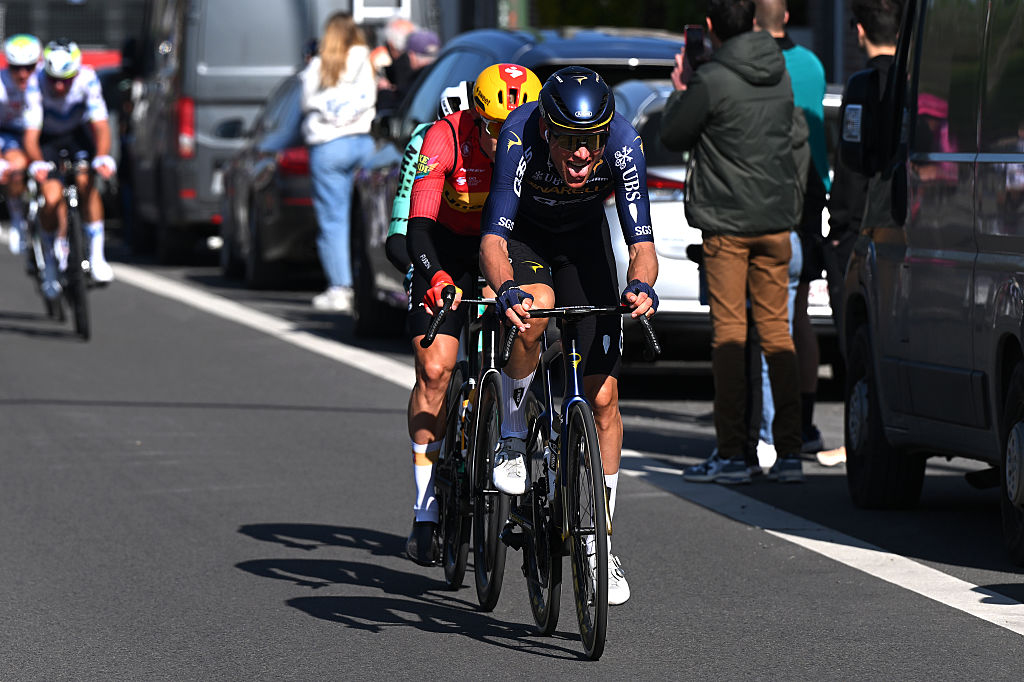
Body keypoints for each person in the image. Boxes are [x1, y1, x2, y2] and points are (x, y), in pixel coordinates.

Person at [479, 66, 659, 605]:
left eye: (592, 144)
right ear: (546, 133)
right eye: (570, 144)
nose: (583, 155)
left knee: (603, 396)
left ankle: (600, 543)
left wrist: (642, 285)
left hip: (584, 244)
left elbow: (641, 242)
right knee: (537, 310)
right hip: (527, 240)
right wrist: (506, 286)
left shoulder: (624, 144)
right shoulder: (517, 134)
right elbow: (493, 238)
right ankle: (512, 429)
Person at [661, 0, 805, 484]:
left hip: (726, 223)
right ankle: (789, 453)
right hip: (776, 219)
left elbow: (674, 133)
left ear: (709, 28)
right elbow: (796, 136)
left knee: (729, 334)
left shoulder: (712, 79)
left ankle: (732, 454)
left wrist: (681, 89)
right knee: (776, 333)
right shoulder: (778, 69)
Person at [402, 64, 541, 567]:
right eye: (493, 131)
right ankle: (424, 505)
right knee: (435, 369)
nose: (504, 141)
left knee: (529, 328)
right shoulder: (445, 138)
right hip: (443, 252)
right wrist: (435, 277)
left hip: (500, 251)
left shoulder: (535, 142)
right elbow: (417, 228)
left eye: (516, 128)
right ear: (476, 118)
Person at [822, 0, 903, 467]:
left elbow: (851, 163)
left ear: (858, 31)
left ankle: (861, 433)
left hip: (864, 227)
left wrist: (840, 229)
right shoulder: (917, 78)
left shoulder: (862, 85)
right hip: (908, 220)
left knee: (857, 337)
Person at [753, 0, 831, 461]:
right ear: (785, 16)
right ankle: (802, 422)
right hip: (806, 195)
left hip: (759, 200)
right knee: (796, 311)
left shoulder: (750, 65)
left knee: (760, 316)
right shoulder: (813, 65)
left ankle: (762, 430)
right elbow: (817, 144)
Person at [24, 39, 117, 297]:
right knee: (51, 198)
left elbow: (100, 125)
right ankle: (51, 266)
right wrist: (37, 162)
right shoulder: (35, 82)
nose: (59, 85)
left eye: (66, 79)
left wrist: (101, 156)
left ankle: (97, 257)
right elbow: (30, 135)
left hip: (77, 136)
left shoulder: (88, 79)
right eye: (54, 79)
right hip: (47, 140)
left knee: (87, 183)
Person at [299, 12, 376, 312]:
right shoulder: (364, 59)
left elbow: (304, 103)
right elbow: (371, 98)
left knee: (334, 221)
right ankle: (368, 282)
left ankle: (340, 287)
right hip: (363, 142)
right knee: (369, 218)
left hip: (328, 145)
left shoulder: (319, 65)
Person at [0, 34, 42, 255]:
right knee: (15, 168)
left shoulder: (47, 79)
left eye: (29, 67)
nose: (23, 74)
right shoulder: (1, 84)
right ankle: (17, 217)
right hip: (9, 134)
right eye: (17, 68)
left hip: (39, 133)